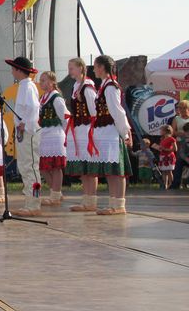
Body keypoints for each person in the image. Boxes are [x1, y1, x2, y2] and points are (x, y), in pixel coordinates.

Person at [91, 55, 133, 215]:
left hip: (112, 133)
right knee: (111, 170)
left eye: (95, 66)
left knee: (117, 170)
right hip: (105, 132)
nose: (94, 69)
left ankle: (119, 204)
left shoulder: (110, 87)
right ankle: (114, 202)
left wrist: (125, 133)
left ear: (102, 67)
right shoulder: (104, 86)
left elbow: (117, 111)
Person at [4, 57, 43, 217]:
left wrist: (24, 123)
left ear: (19, 70)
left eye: (14, 68)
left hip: (29, 131)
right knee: (25, 166)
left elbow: (33, 107)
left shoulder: (28, 86)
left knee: (30, 166)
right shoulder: (23, 86)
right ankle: (29, 201)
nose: (12, 71)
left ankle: (33, 204)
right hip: (25, 130)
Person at [65, 58, 101, 213]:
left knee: (90, 166)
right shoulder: (76, 86)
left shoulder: (87, 87)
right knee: (83, 167)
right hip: (79, 128)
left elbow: (94, 111)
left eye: (72, 68)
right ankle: (86, 199)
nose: (69, 71)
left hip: (87, 128)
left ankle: (91, 200)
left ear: (81, 68)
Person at [38, 71, 69, 207]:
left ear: (52, 82)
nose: (41, 83)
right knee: (43, 167)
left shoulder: (56, 98)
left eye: (44, 80)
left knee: (56, 167)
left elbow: (65, 117)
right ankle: (56, 192)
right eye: (41, 80)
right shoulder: (42, 98)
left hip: (55, 135)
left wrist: (67, 135)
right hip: (44, 135)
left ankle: (55, 196)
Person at [170, 100, 189, 189]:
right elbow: (173, 132)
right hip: (180, 143)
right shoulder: (176, 119)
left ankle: (185, 183)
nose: (182, 110)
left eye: (184, 108)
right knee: (179, 163)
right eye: (180, 108)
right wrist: (182, 134)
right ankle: (176, 183)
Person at [157, 125, 178, 189]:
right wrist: (159, 148)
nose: (160, 132)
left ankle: (171, 184)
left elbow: (175, 149)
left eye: (161, 130)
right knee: (164, 171)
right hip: (163, 156)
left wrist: (165, 149)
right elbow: (162, 147)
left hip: (169, 156)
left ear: (166, 131)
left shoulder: (171, 139)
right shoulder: (162, 139)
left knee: (169, 171)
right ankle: (165, 185)